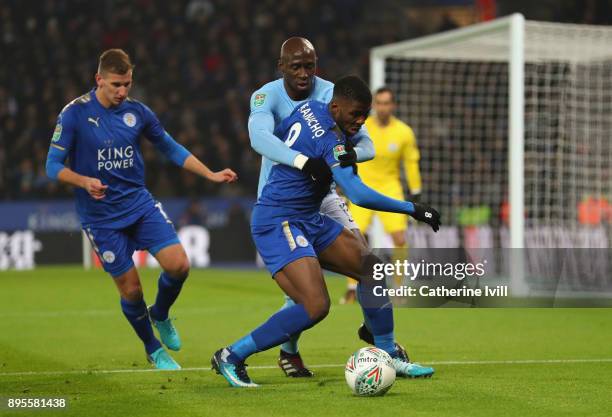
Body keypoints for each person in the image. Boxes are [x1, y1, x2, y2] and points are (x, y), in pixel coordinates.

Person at [211, 75, 440, 387]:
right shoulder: (329, 138)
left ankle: (389, 354)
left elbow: (292, 138)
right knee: (315, 305)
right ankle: (232, 355)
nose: (360, 121)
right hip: (279, 221)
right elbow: (357, 194)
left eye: (364, 115)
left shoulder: (311, 109)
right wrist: (414, 208)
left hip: (307, 216)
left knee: (371, 268)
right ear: (336, 107)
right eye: (354, 114)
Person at [45, 49, 237, 370]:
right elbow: (52, 166)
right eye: (116, 85)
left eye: (127, 84)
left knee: (179, 265)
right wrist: (82, 181)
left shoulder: (138, 113)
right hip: (101, 219)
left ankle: (159, 313)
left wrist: (210, 173)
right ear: (99, 80)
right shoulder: (73, 114)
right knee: (131, 289)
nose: (122, 92)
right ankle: (153, 348)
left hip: (140, 205)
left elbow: (170, 147)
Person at [247, 37, 380, 377]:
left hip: (324, 196)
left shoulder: (331, 93)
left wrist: (351, 155)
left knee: (366, 263)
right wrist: (303, 161)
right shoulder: (266, 96)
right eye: (296, 66)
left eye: (309, 65)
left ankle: (380, 339)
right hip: (282, 202)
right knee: (307, 288)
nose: (304, 73)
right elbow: (259, 138)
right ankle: (288, 351)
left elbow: (366, 143)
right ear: (282, 67)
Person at [341, 87, 422, 304]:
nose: (383, 107)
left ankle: (398, 288)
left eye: (387, 103)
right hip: (362, 188)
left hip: (389, 187)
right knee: (354, 238)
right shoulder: (361, 127)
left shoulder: (404, 132)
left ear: (393, 106)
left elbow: (411, 163)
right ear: (374, 105)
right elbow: (345, 151)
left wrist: (416, 191)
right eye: (379, 103)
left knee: (400, 238)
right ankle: (352, 287)